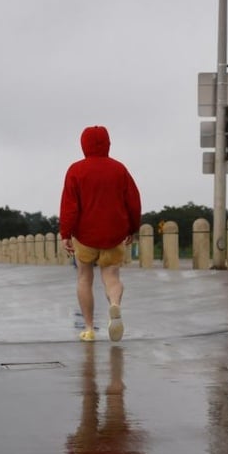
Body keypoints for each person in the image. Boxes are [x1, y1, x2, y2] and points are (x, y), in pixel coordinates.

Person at [60, 125, 141, 342]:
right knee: (112, 276)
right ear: (108, 144)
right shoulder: (119, 169)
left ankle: (88, 328)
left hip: (85, 236)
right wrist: (133, 228)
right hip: (114, 234)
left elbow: (70, 206)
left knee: (84, 277)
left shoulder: (75, 170)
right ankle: (114, 305)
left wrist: (65, 233)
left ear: (83, 145)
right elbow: (133, 202)